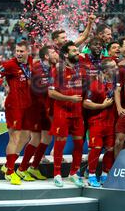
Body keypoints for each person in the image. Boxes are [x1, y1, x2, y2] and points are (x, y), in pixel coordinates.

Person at [0, 42, 33, 185]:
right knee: (14, 137)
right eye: (17, 51)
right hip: (14, 106)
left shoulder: (31, 63)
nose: (19, 53)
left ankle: (7, 165)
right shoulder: (10, 64)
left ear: (28, 51)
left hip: (27, 107)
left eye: (22, 51)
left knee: (26, 136)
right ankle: (10, 171)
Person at [48, 41, 87, 187]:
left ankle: (73, 173)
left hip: (77, 113)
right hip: (62, 112)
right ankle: (57, 174)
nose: (78, 52)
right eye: (74, 51)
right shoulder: (57, 70)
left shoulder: (81, 70)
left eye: (78, 51)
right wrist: (69, 98)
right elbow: (51, 93)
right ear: (65, 54)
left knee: (78, 144)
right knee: (60, 143)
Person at [16, 46, 58, 181]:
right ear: (46, 56)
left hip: (45, 110)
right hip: (35, 110)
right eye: (53, 52)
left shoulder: (52, 69)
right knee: (35, 139)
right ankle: (21, 169)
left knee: (47, 139)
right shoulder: (36, 69)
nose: (56, 54)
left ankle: (33, 168)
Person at [83, 58, 118, 187]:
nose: (116, 69)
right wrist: (102, 106)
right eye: (113, 67)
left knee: (110, 149)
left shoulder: (115, 84)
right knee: (96, 149)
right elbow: (86, 103)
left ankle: (105, 174)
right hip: (96, 122)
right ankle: (91, 175)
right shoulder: (94, 85)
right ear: (105, 70)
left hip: (111, 122)